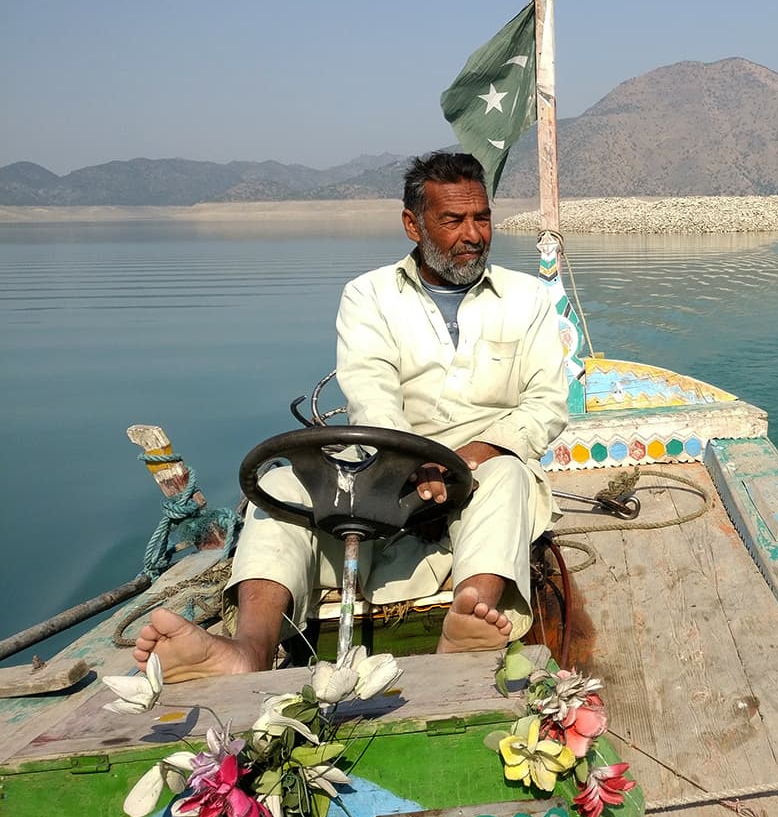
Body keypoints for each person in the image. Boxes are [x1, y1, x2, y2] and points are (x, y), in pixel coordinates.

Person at [135, 152, 569, 681]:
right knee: (280, 484)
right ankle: (247, 649)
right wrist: (413, 462)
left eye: (482, 218)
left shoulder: (527, 298)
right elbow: (371, 392)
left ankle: (469, 618)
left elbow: (547, 401)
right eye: (453, 220)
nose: (473, 234)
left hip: (482, 463)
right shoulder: (368, 295)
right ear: (413, 224)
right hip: (385, 458)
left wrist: (470, 457)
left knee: (506, 475)